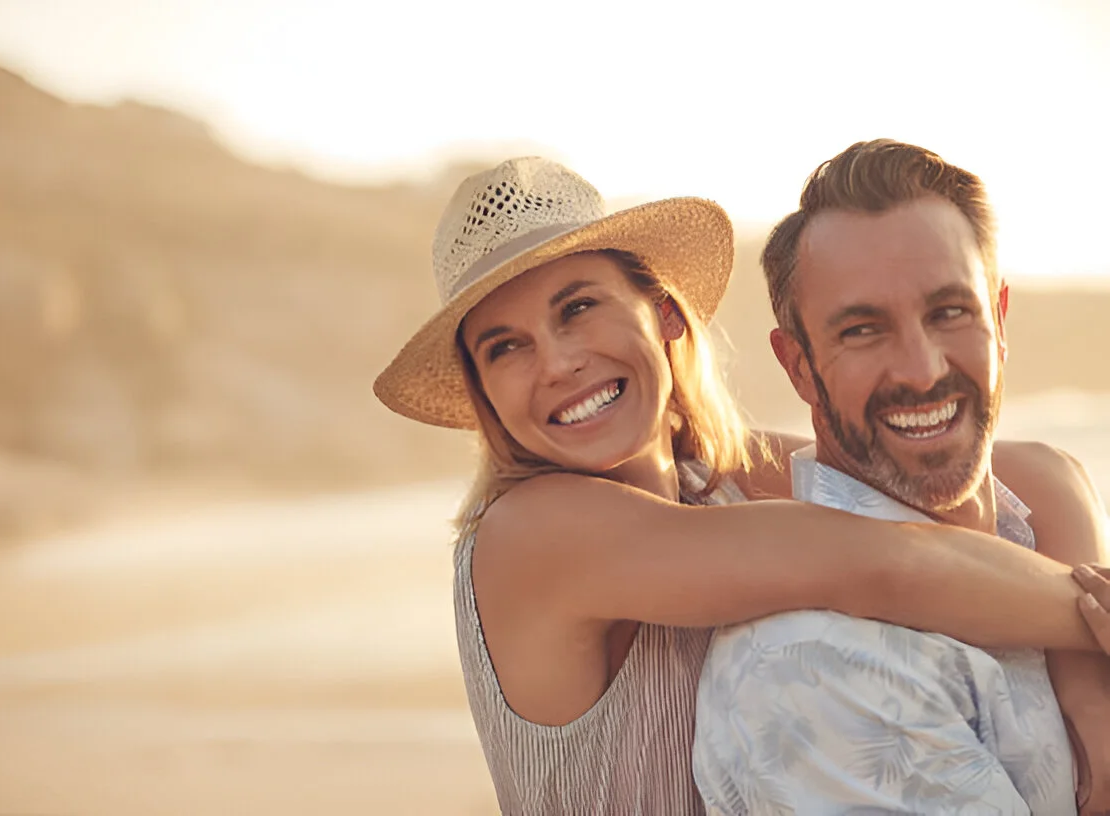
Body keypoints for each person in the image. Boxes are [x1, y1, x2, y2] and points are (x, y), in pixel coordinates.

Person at [372, 155, 1110, 814]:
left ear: (662, 312)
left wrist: (1089, 691)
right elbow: (884, 561)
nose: (559, 363)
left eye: (579, 307)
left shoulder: (712, 479)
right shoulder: (530, 534)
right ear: (484, 394)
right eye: (507, 348)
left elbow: (1044, 471)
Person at [691, 139, 1109, 814]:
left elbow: (1049, 467)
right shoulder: (820, 668)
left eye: (949, 312)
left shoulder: (1030, 522)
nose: (921, 369)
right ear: (798, 366)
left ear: (998, 320)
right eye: (863, 330)